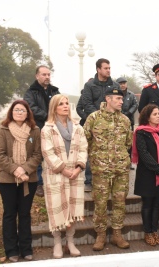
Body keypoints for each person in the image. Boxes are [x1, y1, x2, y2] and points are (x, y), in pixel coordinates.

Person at [84, 87, 132, 251]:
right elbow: (86, 141)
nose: (121, 102)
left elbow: (128, 143)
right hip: (100, 169)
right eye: (118, 99)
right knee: (100, 203)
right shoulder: (94, 118)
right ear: (108, 99)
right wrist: (96, 158)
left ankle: (117, 234)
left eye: (122, 99)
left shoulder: (125, 120)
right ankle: (101, 235)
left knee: (120, 202)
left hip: (120, 169)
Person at [0, 100, 42, 262]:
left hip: (29, 179)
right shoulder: (3, 130)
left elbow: (37, 155)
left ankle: (26, 249)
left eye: (23, 110)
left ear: (28, 113)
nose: (19, 112)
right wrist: (16, 169)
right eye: (16, 110)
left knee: (24, 214)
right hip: (7, 180)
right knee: (9, 214)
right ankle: (11, 250)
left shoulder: (35, 131)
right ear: (11, 112)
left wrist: (25, 169)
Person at [41, 94, 87, 259]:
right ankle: (57, 243)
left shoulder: (78, 127)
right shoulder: (47, 129)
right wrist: (62, 169)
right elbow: (47, 152)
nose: (65, 106)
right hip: (56, 174)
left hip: (75, 174)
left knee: (72, 208)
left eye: (67, 103)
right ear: (54, 107)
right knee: (57, 208)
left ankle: (70, 241)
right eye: (61, 104)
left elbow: (83, 148)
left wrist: (79, 167)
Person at [132, 104, 159, 246]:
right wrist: (157, 168)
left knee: (158, 204)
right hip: (148, 175)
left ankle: (154, 231)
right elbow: (144, 154)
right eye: (155, 114)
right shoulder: (141, 133)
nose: (158, 116)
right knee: (148, 204)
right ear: (147, 116)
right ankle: (148, 232)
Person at [24, 65, 60, 197]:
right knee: (38, 155)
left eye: (48, 74)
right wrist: (48, 116)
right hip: (37, 127)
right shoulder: (31, 92)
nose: (47, 77)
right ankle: (39, 184)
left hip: (54, 128)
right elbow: (31, 108)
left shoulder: (55, 91)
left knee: (54, 153)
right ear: (37, 76)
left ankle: (54, 181)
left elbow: (60, 105)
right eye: (44, 74)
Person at [76, 88, 93, 192]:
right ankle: (88, 180)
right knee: (87, 151)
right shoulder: (84, 96)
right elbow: (79, 108)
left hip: (102, 126)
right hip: (86, 125)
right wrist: (87, 117)